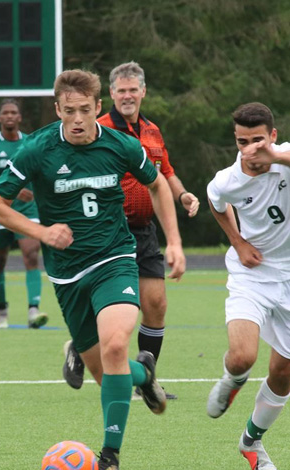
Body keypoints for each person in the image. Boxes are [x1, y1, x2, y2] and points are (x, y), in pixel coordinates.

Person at [0, 69, 186, 470]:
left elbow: (159, 186)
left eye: (84, 110)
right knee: (107, 374)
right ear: (57, 109)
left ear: (98, 107)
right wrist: (42, 232)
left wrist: (174, 243)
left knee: (116, 344)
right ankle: (142, 374)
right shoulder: (36, 150)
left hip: (115, 259)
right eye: (68, 111)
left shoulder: (122, 145)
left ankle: (109, 457)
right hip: (66, 275)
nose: (76, 119)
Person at [61, 61, 200, 400]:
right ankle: (82, 348)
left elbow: (164, 173)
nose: (126, 95)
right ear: (110, 94)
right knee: (114, 308)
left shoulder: (152, 131)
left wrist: (181, 194)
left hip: (144, 229)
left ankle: (144, 381)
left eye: (132, 89)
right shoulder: (100, 127)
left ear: (143, 92)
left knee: (156, 304)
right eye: (120, 90)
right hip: (106, 230)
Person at [204, 102, 290, 470]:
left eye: (257, 140)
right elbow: (215, 201)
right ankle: (233, 378)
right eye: (242, 142)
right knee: (242, 357)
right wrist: (237, 242)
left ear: (272, 135)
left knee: (283, 372)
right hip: (251, 274)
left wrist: (276, 156)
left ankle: (251, 441)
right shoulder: (227, 180)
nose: (250, 149)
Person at [0, 99, 48, 329]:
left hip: (28, 209)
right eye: (5, 112)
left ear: (19, 117)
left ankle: (33, 311)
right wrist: (15, 193)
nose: (9, 116)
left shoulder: (30, 143)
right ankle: (1, 311)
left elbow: (42, 175)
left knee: (31, 253)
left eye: (13, 112)